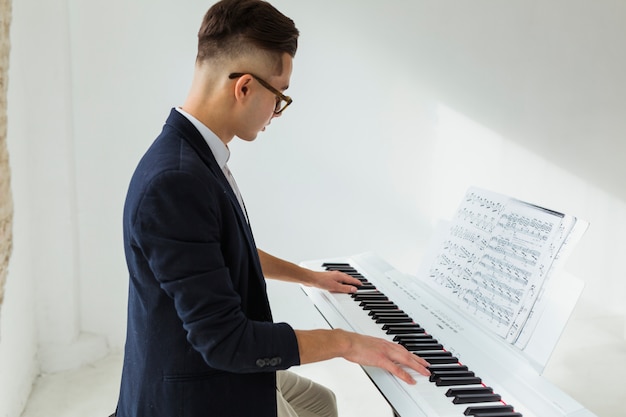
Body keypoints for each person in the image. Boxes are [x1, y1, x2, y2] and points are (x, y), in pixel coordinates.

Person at [113, 1, 430, 416]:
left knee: (320, 402)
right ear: (244, 87)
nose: (277, 113)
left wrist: (309, 277)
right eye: (279, 95)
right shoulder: (176, 182)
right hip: (192, 389)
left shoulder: (195, 155)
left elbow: (221, 252)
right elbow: (228, 344)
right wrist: (347, 343)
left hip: (202, 364)